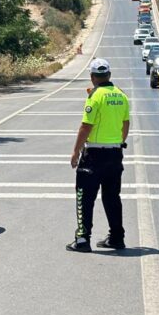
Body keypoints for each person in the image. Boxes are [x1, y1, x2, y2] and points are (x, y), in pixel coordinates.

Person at [67, 58, 130, 252]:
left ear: (93, 77)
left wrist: (76, 151)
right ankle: (117, 237)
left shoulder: (95, 97)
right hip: (115, 153)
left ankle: (83, 239)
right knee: (112, 197)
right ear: (109, 75)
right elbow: (126, 124)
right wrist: (118, 142)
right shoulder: (121, 96)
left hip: (94, 154)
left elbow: (86, 126)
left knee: (84, 197)